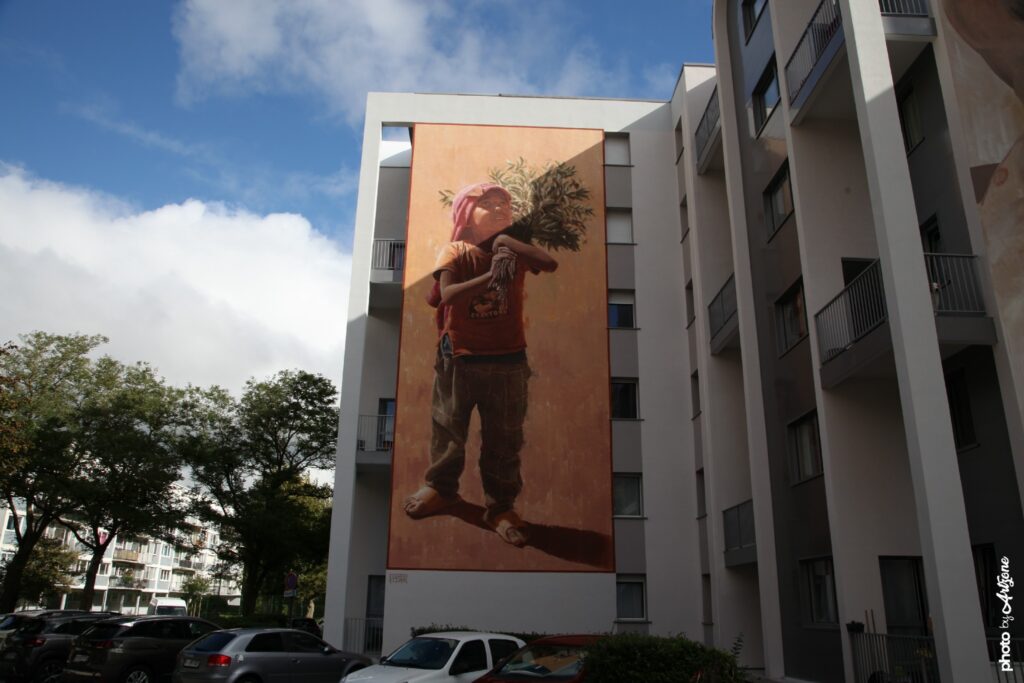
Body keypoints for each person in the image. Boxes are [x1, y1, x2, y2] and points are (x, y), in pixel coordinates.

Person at [402, 182, 558, 547]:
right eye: (487, 203)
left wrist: (510, 245)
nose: (499, 209)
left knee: (504, 438)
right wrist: (492, 276)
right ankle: (440, 489)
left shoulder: (514, 252)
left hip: (509, 360)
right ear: (465, 214)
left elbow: (549, 263)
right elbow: (449, 295)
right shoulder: (456, 250)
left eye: (505, 204)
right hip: (458, 357)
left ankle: (501, 508)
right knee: (448, 428)